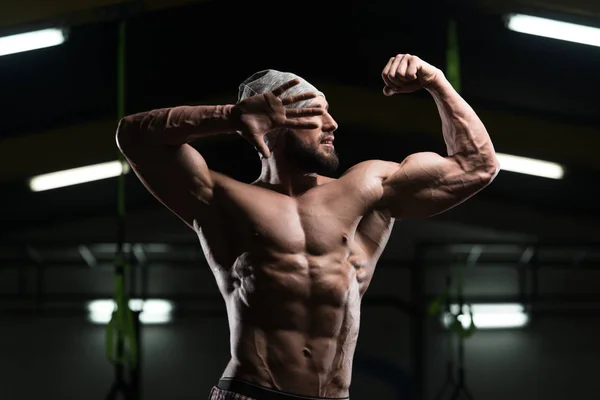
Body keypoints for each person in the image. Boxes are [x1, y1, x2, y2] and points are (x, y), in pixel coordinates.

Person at [115, 53, 499, 400]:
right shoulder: (219, 199)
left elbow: (478, 165)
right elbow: (133, 135)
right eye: (315, 114)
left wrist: (436, 82)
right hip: (251, 392)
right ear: (272, 124)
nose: (332, 124)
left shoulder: (368, 188)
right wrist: (228, 116)